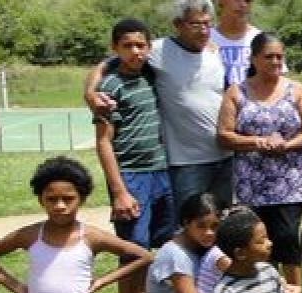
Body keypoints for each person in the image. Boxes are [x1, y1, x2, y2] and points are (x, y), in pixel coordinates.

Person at [83, 0, 233, 245]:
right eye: (196, 24)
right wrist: (90, 93)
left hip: (222, 159)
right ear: (178, 25)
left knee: (218, 230)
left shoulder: (213, 53)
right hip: (185, 163)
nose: (204, 30)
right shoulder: (159, 51)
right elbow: (109, 63)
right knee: (182, 234)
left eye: (208, 24)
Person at [216, 32, 302, 293]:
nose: (275, 62)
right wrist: (256, 142)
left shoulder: (296, 89)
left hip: (290, 180)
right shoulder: (237, 92)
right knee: (257, 241)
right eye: (269, 57)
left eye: (279, 56)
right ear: (253, 59)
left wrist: (286, 144)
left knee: (287, 237)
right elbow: (224, 136)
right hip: (253, 181)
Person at [0, 157, 152, 293]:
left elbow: (144, 256)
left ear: (81, 199)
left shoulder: (92, 236)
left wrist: (101, 281)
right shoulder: (29, 235)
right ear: (40, 200)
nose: (60, 206)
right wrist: (18, 288)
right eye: (52, 199)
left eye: (68, 199)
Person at [89, 18, 170, 293]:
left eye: (141, 45)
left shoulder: (151, 74)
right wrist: (120, 191)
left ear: (149, 47)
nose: (135, 52)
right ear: (115, 49)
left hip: (163, 171)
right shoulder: (110, 88)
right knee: (133, 250)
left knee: (160, 244)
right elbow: (103, 143)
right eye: (127, 46)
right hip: (132, 177)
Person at [146, 193, 223, 293]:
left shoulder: (201, 246)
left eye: (215, 226)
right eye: (201, 226)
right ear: (186, 223)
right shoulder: (176, 256)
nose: (209, 232)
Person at [213, 210, 297, 293]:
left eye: (267, 237)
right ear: (240, 253)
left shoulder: (269, 271)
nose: (270, 243)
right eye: (261, 241)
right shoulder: (226, 292)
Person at [212, 0, 263, 86]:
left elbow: (277, 80)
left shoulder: (261, 40)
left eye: (248, 1)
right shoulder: (205, 39)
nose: (243, 5)